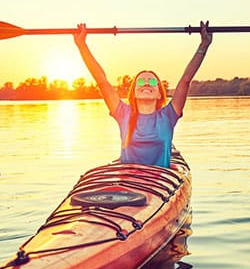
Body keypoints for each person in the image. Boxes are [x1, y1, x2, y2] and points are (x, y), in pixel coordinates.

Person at [74, 21, 212, 168]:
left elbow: (185, 80)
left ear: (160, 93)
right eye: (141, 82)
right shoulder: (123, 113)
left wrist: (204, 45)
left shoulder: (168, 115)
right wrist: (82, 45)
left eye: (152, 82)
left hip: (160, 184)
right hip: (129, 184)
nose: (146, 84)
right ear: (133, 92)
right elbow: (102, 81)